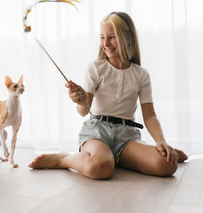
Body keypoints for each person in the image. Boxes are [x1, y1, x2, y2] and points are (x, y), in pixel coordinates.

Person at [28, 11, 187, 179]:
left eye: (112, 37)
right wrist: (81, 99)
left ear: (128, 38)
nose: (106, 43)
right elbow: (84, 111)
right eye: (102, 37)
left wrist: (160, 140)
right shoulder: (96, 68)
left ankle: (122, 157)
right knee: (100, 167)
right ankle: (64, 159)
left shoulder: (141, 74)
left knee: (167, 166)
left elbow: (150, 115)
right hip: (97, 132)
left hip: (127, 136)